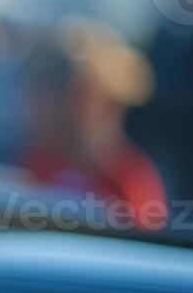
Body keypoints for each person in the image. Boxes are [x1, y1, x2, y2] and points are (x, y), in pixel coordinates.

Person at [20, 19, 168, 229]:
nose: (68, 105)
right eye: (63, 91)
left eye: (83, 96)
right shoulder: (37, 162)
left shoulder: (130, 181)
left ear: (109, 103)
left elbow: (141, 249)